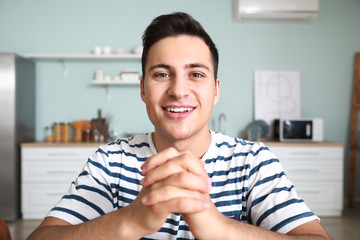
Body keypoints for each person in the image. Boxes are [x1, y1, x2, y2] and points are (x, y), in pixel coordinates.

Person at [28, 12, 330, 239]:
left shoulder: (253, 161)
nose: (178, 90)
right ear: (143, 89)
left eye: (196, 74)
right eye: (162, 74)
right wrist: (130, 220)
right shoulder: (110, 161)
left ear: (216, 89)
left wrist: (217, 226)